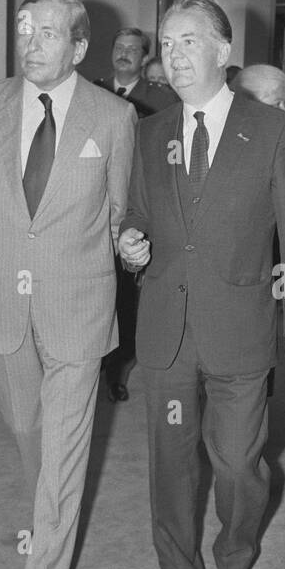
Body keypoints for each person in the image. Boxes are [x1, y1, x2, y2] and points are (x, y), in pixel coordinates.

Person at [119, 0, 285, 569]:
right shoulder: (149, 131)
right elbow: (140, 217)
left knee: (237, 464)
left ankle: (236, 558)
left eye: (187, 42)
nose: (173, 56)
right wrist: (130, 246)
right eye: (167, 43)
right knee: (171, 463)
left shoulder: (273, 130)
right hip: (166, 331)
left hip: (240, 329)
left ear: (222, 52)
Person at [0, 0, 136, 569]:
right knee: (27, 437)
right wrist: (13, 256)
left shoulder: (115, 117)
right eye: (24, 29)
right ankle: (45, 511)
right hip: (3, 303)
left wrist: (122, 248)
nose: (31, 42)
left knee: (62, 457)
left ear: (80, 46)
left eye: (49, 32)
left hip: (78, 311)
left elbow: (119, 211)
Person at [96, 27, 179, 403]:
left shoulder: (161, 100)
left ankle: (117, 369)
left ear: (144, 58)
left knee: (126, 298)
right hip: (93, 209)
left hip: (136, 209)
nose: (124, 53)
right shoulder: (90, 94)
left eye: (133, 49)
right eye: (119, 46)